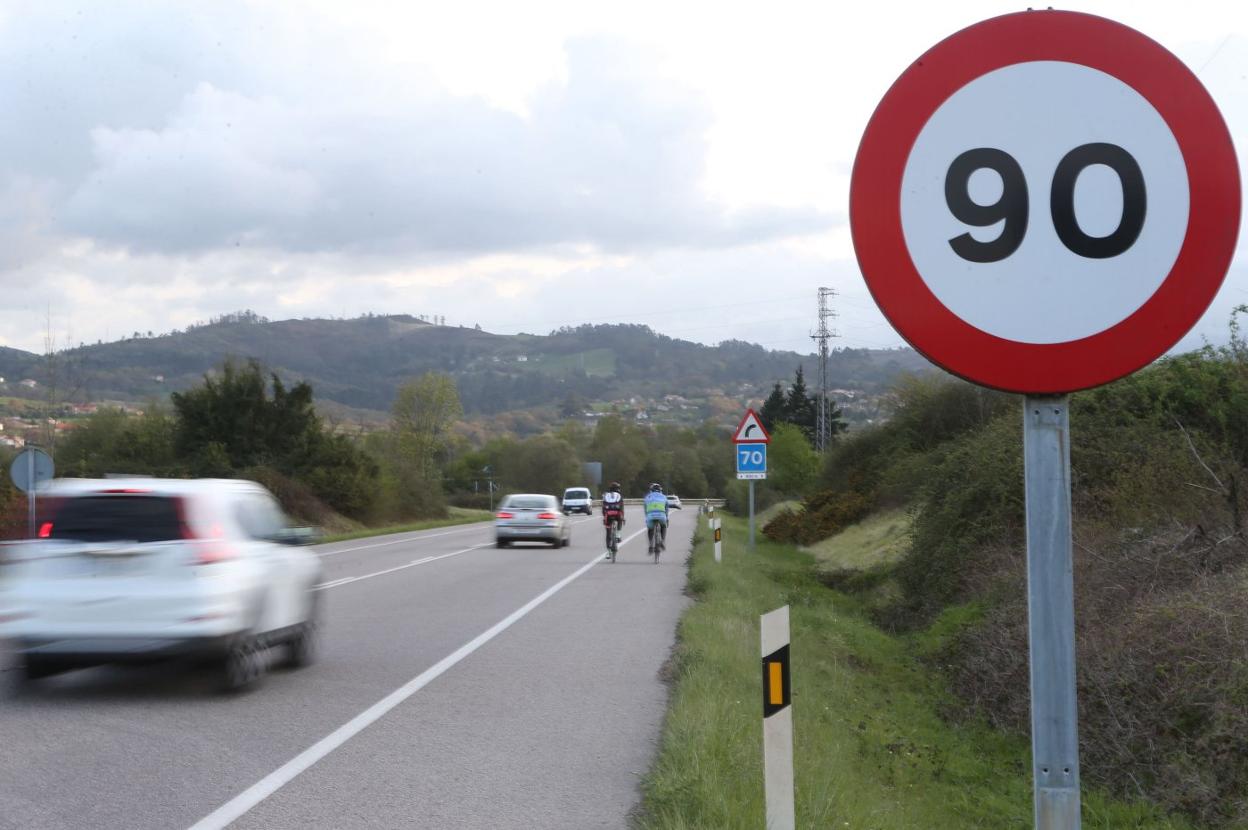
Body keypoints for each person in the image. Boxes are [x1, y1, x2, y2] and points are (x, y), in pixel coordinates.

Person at [643, 482, 669, 554]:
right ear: (660, 490)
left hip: (650, 516)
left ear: (651, 490)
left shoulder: (647, 497)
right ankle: (663, 541)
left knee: (650, 529)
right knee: (663, 526)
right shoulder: (664, 497)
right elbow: (667, 508)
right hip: (661, 515)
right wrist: (667, 518)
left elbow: (645, 509)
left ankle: (651, 545)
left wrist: (647, 517)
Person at [602, 482, 624, 558]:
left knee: (608, 534)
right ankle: (618, 534)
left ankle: (608, 552)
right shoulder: (619, 495)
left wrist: (604, 517)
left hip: (608, 515)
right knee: (620, 518)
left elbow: (603, 508)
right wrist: (622, 518)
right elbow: (622, 509)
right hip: (617, 514)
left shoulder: (606, 495)